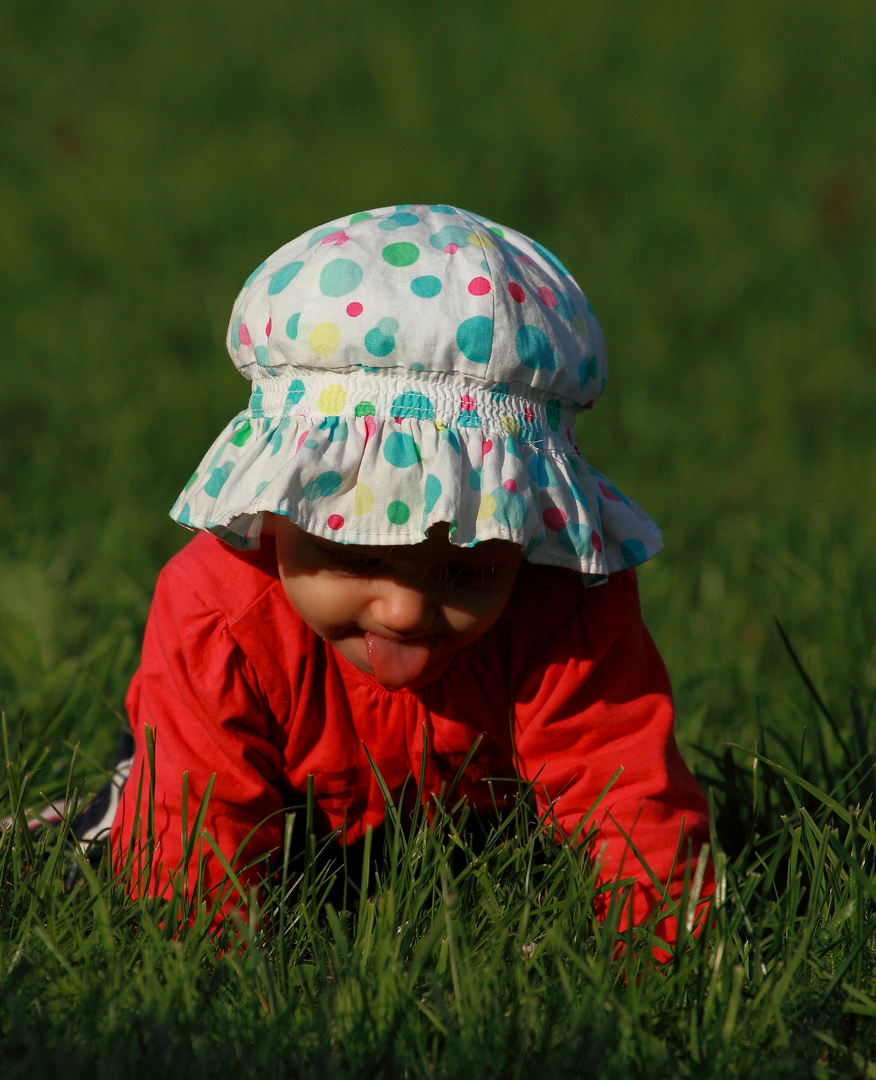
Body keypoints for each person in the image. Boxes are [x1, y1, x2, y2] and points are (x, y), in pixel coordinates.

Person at [101, 204, 711, 940]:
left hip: (476, 836)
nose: (403, 612)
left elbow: (623, 790)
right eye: (356, 554)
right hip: (282, 819)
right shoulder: (219, 612)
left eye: (470, 570)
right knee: (127, 817)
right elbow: (192, 828)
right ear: (285, 500)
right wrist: (211, 961)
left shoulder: (566, 609)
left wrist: (663, 950)